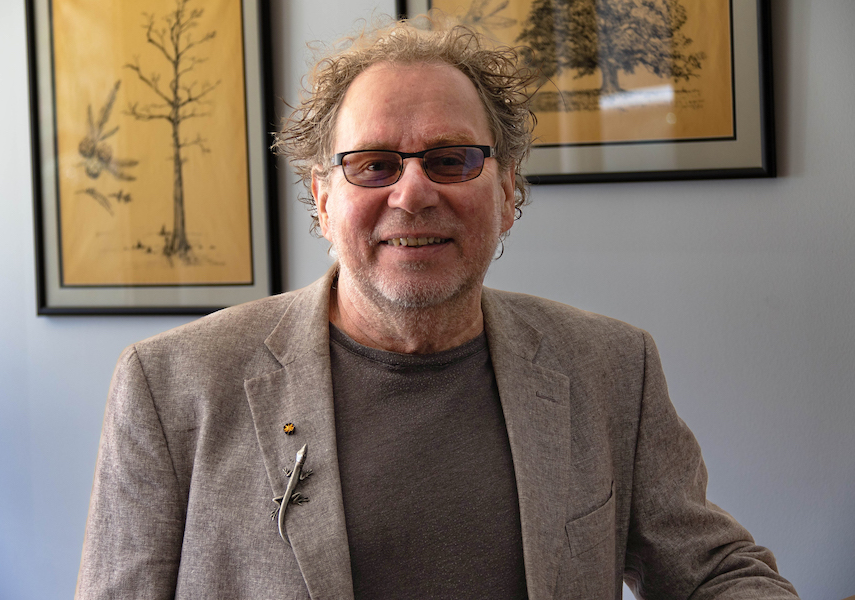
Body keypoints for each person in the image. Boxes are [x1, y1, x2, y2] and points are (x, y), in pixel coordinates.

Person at [76, 15, 799, 600]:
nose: (413, 193)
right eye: (374, 164)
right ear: (323, 199)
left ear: (508, 190)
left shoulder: (611, 368)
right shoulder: (169, 386)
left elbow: (714, 574)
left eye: (452, 159)